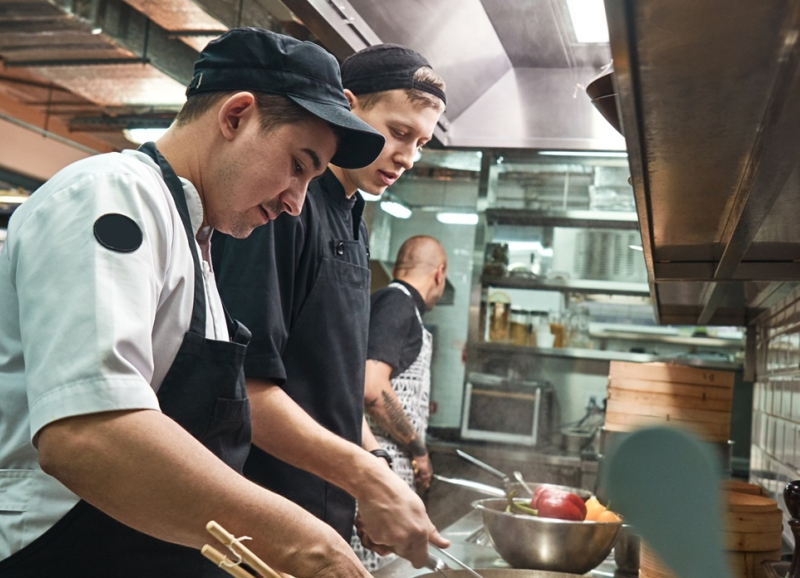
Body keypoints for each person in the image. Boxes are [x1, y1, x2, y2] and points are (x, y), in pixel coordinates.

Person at [0, 28, 386, 578]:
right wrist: (300, 540)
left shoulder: (197, 242)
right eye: (298, 165)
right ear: (235, 116)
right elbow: (88, 435)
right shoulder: (112, 195)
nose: (297, 203)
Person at [211, 44, 449, 566]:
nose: (408, 156)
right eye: (399, 132)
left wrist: (372, 469)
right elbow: (243, 387)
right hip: (261, 521)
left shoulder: (354, 219)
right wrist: (365, 477)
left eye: (422, 142)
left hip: (322, 521)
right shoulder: (280, 207)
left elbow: (333, 384)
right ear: (348, 108)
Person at [353, 235, 447, 571]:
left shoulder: (388, 301)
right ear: (439, 274)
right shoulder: (398, 304)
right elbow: (372, 388)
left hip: (380, 477)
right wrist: (418, 448)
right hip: (378, 472)